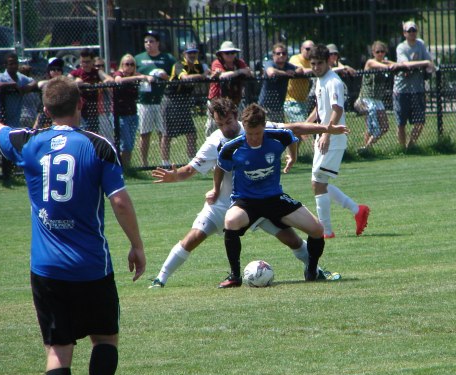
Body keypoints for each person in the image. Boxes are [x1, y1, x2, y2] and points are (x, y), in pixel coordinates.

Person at [0, 76, 146, 375]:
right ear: (80, 104)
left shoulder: (29, 142)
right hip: (92, 267)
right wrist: (137, 245)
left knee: (58, 351)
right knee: (104, 339)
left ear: (46, 110)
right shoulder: (98, 146)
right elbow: (120, 202)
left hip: (47, 269)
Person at [149, 97, 346, 288]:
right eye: (220, 124)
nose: (225, 128)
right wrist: (180, 177)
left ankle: (315, 271)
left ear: (236, 116)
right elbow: (193, 169)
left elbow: (293, 129)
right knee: (193, 238)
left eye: (228, 121)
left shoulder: (256, 126)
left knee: (292, 239)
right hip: (226, 204)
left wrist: (325, 129)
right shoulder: (216, 143)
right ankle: (160, 278)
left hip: (263, 200)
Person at [213, 103, 326, 287]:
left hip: (274, 198)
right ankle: (234, 276)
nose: (253, 138)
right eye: (249, 134)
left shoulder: (277, 136)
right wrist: (215, 189)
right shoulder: (231, 147)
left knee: (317, 229)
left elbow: (291, 138)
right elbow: (219, 167)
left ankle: (312, 270)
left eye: (258, 133)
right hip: (246, 201)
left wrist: (293, 157)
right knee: (231, 221)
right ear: (244, 127)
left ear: (264, 127)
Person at [306, 44, 370, 239]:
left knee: (318, 182)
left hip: (332, 138)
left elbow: (337, 109)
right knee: (318, 182)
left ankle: (326, 231)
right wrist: (306, 125)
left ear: (328, 62)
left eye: (319, 63)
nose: (316, 67)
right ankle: (357, 210)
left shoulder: (333, 81)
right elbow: (320, 108)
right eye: (313, 63)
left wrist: (326, 134)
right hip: (324, 136)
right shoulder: (320, 80)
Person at [0, 52, 37, 182]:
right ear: (5, 65)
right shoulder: (0, 76)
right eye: (11, 63)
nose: (14, 66)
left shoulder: (20, 78)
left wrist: (26, 88)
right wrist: (12, 86)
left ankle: (7, 175)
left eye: (15, 63)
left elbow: (34, 82)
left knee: (9, 146)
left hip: (13, 119)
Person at [135, 30, 176, 167]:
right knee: (144, 133)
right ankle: (144, 163)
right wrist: (144, 77)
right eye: (146, 41)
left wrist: (166, 77)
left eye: (151, 41)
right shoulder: (138, 58)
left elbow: (176, 74)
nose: (148, 44)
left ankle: (165, 162)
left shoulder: (167, 58)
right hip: (144, 101)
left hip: (162, 101)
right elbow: (130, 72)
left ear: (158, 43)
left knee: (163, 132)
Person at [393, 21, 434, 150]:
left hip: (418, 89)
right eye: (409, 31)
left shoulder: (420, 44)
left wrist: (426, 64)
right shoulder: (401, 47)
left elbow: (430, 62)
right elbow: (405, 64)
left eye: (414, 30)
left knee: (420, 121)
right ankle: (402, 149)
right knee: (401, 122)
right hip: (402, 90)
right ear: (404, 33)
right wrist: (424, 63)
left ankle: (410, 145)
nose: (412, 33)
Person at [165, 42, 210, 159]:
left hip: (184, 101)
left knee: (191, 133)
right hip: (171, 100)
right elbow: (185, 78)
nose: (192, 55)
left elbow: (209, 74)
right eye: (190, 53)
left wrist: (210, 73)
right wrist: (202, 75)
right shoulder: (179, 65)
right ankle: (165, 163)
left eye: (194, 52)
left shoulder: (198, 66)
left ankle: (191, 161)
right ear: (184, 54)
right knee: (167, 134)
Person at [113, 53, 152, 169]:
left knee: (130, 144)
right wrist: (138, 78)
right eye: (127, 64)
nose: (129, 66)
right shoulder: (119, 74)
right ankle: (123, 169)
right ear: (122, 65)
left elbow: (148, 77)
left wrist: (148, 77)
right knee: (125, 144)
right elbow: (118, 80)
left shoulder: (136, 75)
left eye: (132, 64)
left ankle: (128, 169)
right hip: (121, 115)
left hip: (133, 114)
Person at [357, 40, 397, 151]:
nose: (380, 54)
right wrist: (388, 65)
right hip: (367, 98)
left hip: (378, 99)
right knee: (370, 127)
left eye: (382, 51)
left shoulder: (384, 63)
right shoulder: (370, 62)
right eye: (377, 52)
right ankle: (366, 149)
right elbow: (381, 65)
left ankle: (366, 147)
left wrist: (389, 63)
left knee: (384, 127)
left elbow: (395, 64)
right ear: (373, 52)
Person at [206, 41, 252, 136]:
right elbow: (223, 76)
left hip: (234, 100)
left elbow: (248, 72)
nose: (230, 55)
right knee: (214, 125)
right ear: (221, 54)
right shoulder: (217, 63)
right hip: (217, 101)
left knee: (238, 123)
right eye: (227, 53)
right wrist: (239, 72)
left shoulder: (239, 63)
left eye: (232, 52)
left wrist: (238, 72)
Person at [68, 49, 114, 135]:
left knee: (93, 135)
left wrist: (98, 84)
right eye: (83, 62)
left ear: (93, 61)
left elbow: (110, 79)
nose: (85, 64)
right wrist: (77, 83)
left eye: (87, 62)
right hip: (79, 111)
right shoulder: (76, 73)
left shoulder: (96, 72)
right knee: (81, 133)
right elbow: (66, 81)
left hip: (93, 110)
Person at [258, 42, 300, 122]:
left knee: (279, 128)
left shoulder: (288, 66)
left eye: (284, 53)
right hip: (265, 106)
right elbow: (271, 72)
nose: (281, 55)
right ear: (273, 55)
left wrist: (295, 72)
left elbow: (300, 70)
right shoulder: (270, 63)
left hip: (278, 107)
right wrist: (286, 73)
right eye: (278, 53)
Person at [284, 40, 315, 123]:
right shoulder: (295, 58)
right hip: (292, 100)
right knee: (301, 125)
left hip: (304, 101)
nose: (310, 51)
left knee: (301, 126)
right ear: (301, 49)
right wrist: (316, 69)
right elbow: (302, 70)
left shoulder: (312, 61)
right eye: (307, 49)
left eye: (312, 49)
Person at [35, 57, 66, 129]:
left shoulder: (65, 82)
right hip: (45, 113)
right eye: (53, 69)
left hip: (60, 113)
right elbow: (40, 84)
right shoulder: (45, 81)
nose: (56, 71)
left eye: (58, 69)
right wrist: (55, 82)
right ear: (49, 71)